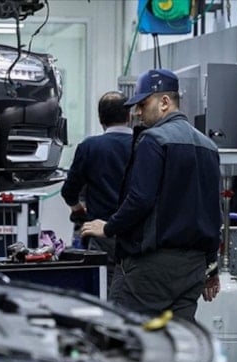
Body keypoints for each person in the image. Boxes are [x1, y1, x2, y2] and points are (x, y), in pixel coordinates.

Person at [80, 68, 221, 322]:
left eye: (143, 104)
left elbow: (140, 199)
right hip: (192, 270)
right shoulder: (208, 146)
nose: (137, 112)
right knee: (176, 339)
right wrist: (211, 267)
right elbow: (213, 212)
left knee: (123, 333)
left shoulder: (153, 140)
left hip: (152, 268)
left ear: (164, 102)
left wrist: (109, 228)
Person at [61, 91, 133, 300]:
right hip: (137, 236)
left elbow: (69, 191)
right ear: (129, 116)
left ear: (100, 118)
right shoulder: (145, 144)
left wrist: (78, 210)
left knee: (104, 293)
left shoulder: (90, 147)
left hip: (102, 236)